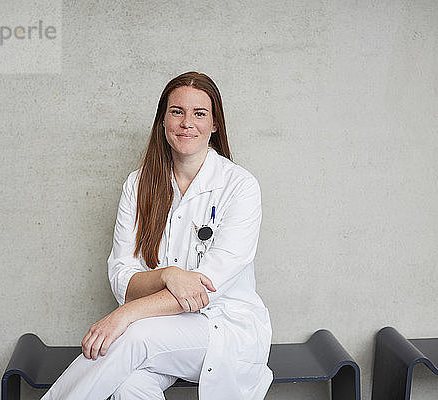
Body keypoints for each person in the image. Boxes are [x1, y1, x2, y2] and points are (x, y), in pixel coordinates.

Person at [41, 71, 272, 400]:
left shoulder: (240, 186)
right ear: (162, 120)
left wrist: (124, 314)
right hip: (163, 331)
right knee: (128, 385)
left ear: (215, 124)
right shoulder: (137, 185)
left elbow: (206, 287)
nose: (186, 123)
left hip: (225, 328)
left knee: (131, 336)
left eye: (199, 113)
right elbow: (122, 275)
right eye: (177, 111)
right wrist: (168, 275)